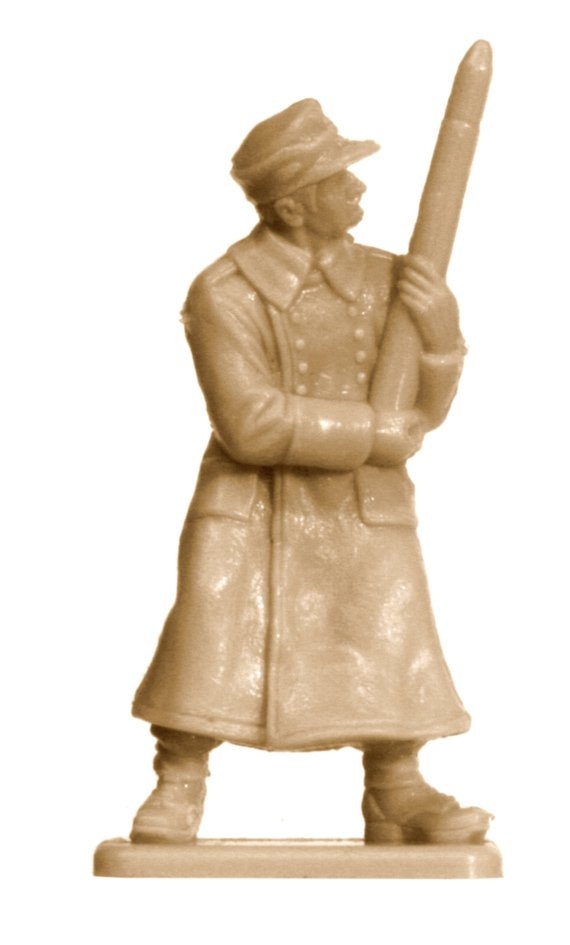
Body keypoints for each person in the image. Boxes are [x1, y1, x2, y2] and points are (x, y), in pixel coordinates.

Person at [130, 99, 490, 845]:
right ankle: (179, 779)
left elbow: (421, 418)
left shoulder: (390, 279)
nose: (358, 188)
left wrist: (442, 338)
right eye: (338, 178)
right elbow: (249, 421)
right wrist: (371, 432)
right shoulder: (224, 291)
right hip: (253, 501)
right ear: (292, 205)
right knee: (212, 638)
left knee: (388, 636)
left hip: (364, 501)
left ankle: (396, 787)